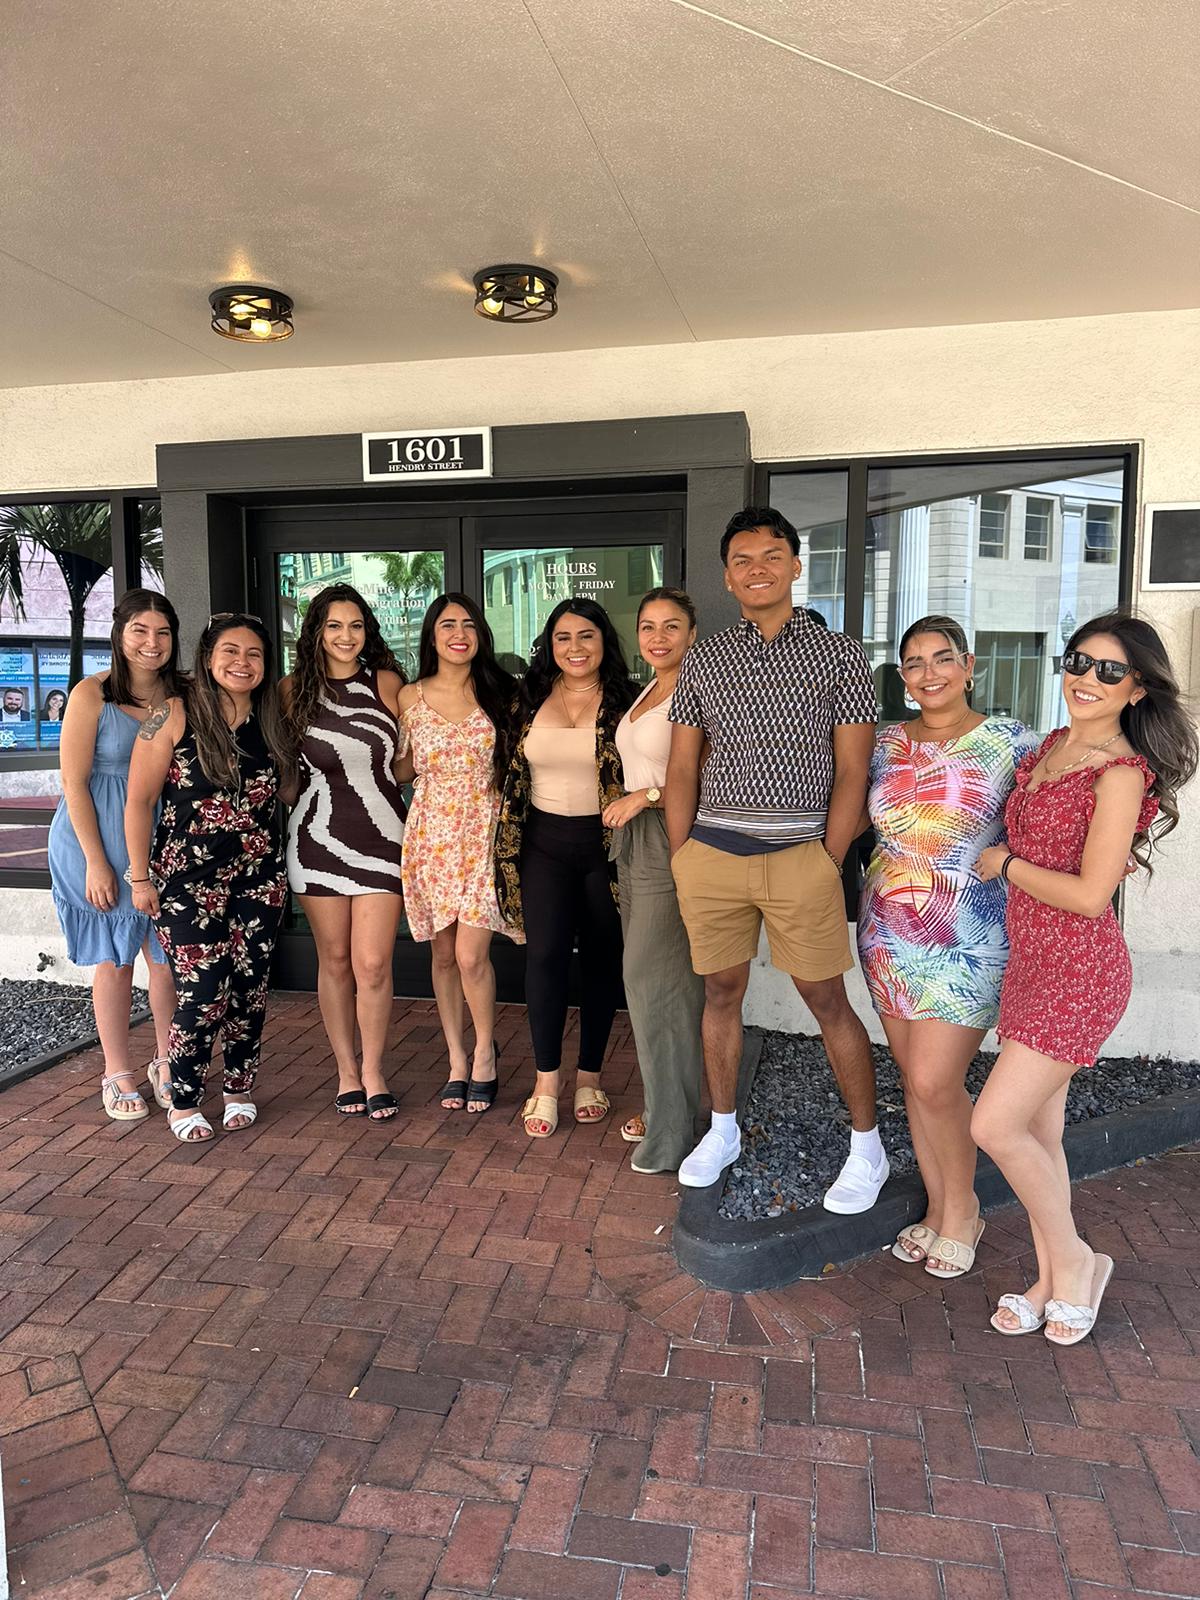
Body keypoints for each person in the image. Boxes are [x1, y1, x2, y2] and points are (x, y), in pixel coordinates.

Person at [974, 611, 1196, 1346]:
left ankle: (1075, 1260)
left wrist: (1006, 864)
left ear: (1137, 689)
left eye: (1109, 670)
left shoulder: (1122, 772)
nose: (1087, 678)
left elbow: (1091, 894)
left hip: (1081, 969)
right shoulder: (1049, 748)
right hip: (1030, 962)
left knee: (994, 1124)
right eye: (1078, 661)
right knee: (1041, 1131)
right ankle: (1049, 1279)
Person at [666, 506, 886, 1208]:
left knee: (827, 999)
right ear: (728, 576)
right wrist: (682, 856)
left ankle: (867, 1146)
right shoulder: (704, 657)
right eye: (742, 559)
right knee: (721, 993)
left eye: (771, 555)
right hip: (712, 856)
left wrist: (826, 857)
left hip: (801, 856)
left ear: (796, 565)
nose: (757, 568)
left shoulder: (840, 654)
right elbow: (682, 769)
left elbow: (854, 770)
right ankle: (723, 1128)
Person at [858, 616, 1037, 1276]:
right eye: (914, 662)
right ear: (901, 676)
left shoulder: (1011, 742)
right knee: (915, 1080)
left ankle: (964, 1212)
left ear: (969, 665)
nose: (928, 673)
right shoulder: (883, 743)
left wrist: (1016, 858)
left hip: (967, 928)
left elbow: (1049, 818)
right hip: (885, 926)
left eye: (942, 659)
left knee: (937, 1080)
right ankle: (937, 1208)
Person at [125, 613, 295, 1143]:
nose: (242, 663)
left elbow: (286, 793)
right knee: (204, 989)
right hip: (186, 880)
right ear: (207, 657)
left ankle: (239, 1088)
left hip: (259, 877)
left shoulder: (272, 720)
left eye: (254, 655)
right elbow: (139, 800)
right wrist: (139, 878)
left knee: (249, 987)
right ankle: (184, 1096)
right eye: (231, 652)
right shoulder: (170, 715)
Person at [495, 596, 637, 1138]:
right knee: (546, 956)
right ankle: (546, 1082)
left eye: (586, 636)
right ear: (549, 646)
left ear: (604, 642)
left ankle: (590, 1077)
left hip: (608, 844)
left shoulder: (628, 700)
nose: (574, 648)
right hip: (543, 843)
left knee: (603, 959)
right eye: (562, 637)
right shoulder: (526, 697)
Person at [47, 590, 180, 1121]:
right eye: (140, 631)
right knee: (115, 959)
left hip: (157, 838)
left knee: (167, 959)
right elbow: (73, 783)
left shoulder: (179, 696)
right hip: (95, 838)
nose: (152, 643)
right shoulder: (91, 695)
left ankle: (168, 1061)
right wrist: (98, 862)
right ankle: (117, 1070)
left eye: (163, 633)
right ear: (120, 635)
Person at [282, 584, 407, 1120]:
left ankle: (375, 1069)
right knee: (334, 961)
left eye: (355, 625)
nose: (346, 636)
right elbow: (285, 773)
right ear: (317, 631)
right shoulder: (290, 691)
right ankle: (346, 1071)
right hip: (316, 840)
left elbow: (404, 762)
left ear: (367, 631)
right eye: (334, 625)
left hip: (382, 838)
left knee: (373, 963)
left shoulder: (387, 684)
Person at [399, 594, 518, 1115]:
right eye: (447, 624)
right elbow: (401, 767)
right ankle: (456, 1057)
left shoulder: (502, 691)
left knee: (472, 955)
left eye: (468, 624)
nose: (458, 633)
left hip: (486, 832)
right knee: (443, 954)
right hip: (430, 836)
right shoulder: (408, 696)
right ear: (431, 636)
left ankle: (486, 1051)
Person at [602, 588, 704, 1173]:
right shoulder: (650, 689)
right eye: (647, 627)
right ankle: (667, 1106)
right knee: (657, 983)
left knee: (652, 980)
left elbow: (717, 771)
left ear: (692, 634)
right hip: (638, 841)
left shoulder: (699, 691)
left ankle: (671, 1135)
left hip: (674, 836)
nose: (658, 637)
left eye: (671, 626)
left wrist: (648, 796)